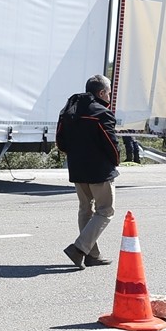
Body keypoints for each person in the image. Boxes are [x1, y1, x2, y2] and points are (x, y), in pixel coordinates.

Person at [55, 73, 120, 269]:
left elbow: (60, 141)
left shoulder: (69, 110)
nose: (109, 97)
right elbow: (111, 144)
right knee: (105, 211)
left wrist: (76, 156)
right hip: (99, 171)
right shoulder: (102, 113)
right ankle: (79, 248)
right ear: (101, 93)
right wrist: (115, 162)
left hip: (77, 169)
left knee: (85, 209)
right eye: (108, 93)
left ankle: (92, 255)